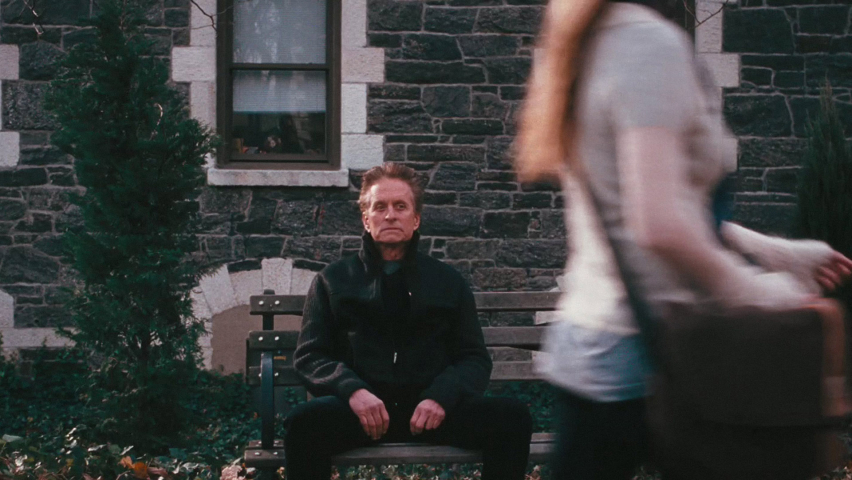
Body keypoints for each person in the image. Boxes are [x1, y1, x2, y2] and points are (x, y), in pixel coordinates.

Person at [513, 0, 852, 479]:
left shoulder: (586, 43)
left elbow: (653, 207)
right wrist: (757, 292)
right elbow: (659, 224)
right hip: (658, 351)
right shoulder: (647, 45)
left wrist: (776, 252)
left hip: (592, 345)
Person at [286, 163, 533, 480]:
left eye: (400, 206)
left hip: (431, 413)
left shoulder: (448, 282)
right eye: (380, 207)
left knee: (511, 418)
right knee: (304, 424)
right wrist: (353, 392)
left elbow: (474, 359)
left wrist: (440, 397)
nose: (390, 215)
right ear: (366, 219)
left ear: (416, 219)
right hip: (361, 413)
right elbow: (310, 356)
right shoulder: (332, 280)